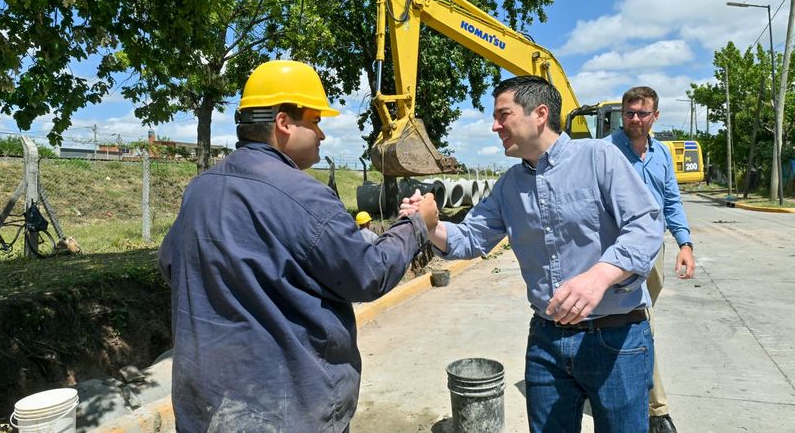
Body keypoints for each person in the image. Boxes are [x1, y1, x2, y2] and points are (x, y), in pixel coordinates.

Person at [158, 60, 439, 432]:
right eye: (316, 121)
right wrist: (418, 223)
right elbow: (369, 274)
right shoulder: (304, 195)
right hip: (287, 411)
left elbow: (170, 264)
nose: (322, 134)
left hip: (207, 408)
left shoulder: (201, 189)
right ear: (284, 123)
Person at [401, 76, 664, 432]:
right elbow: (470, 238)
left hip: (615, 338)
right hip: (547, 340)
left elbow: (646, 225)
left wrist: (600, 275)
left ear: (540, 114)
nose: (495, 126)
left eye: (503, 115)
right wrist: (430, 226)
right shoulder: (510, 185)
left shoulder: (599, 158)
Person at [605, 86, 696, 433]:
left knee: (635, 323)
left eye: (642, 113)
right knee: (642, 319)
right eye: (629, 112)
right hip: (617, 250)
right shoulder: (606, 150)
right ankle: (657, 411)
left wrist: (685, 243)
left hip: (654, 250)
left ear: (655, 116)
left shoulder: (661, 155)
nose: (635, 119)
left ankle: (621, 381)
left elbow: (671, 200)